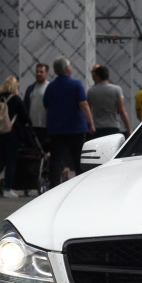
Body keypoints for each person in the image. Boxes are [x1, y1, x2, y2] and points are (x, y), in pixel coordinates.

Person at [43, 56, 95, 187]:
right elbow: (83, 104)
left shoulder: (50, 87)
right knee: (78, 160)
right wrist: (91, 123)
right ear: (67, 69)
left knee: (55, 160)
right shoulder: (76, 85)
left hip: (56, 130)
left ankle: (53, 186)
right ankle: (80, 186)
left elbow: (46, 106)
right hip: (75, 129)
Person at [0, 76, 32, 198]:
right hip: (11, 134)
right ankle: (7, 189)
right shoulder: (15, 99)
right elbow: (25, 117)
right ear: (14, 86)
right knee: (11, 162)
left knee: (1, 159)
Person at [88, 64, 131, 138]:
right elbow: (121, 111)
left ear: (97, 76)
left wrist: (90, 126)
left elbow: (89, 110)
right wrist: (128, 129)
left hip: (97, 128)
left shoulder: (91, 91)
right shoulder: (116, 89)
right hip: (112, 126)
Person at [22, 62, 49, 146]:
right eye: (37, 72)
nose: (39, 74)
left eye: (41, 72)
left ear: (47, 73)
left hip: (46, 126)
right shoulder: (30, 88)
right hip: (32, 126)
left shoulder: (50, 87)